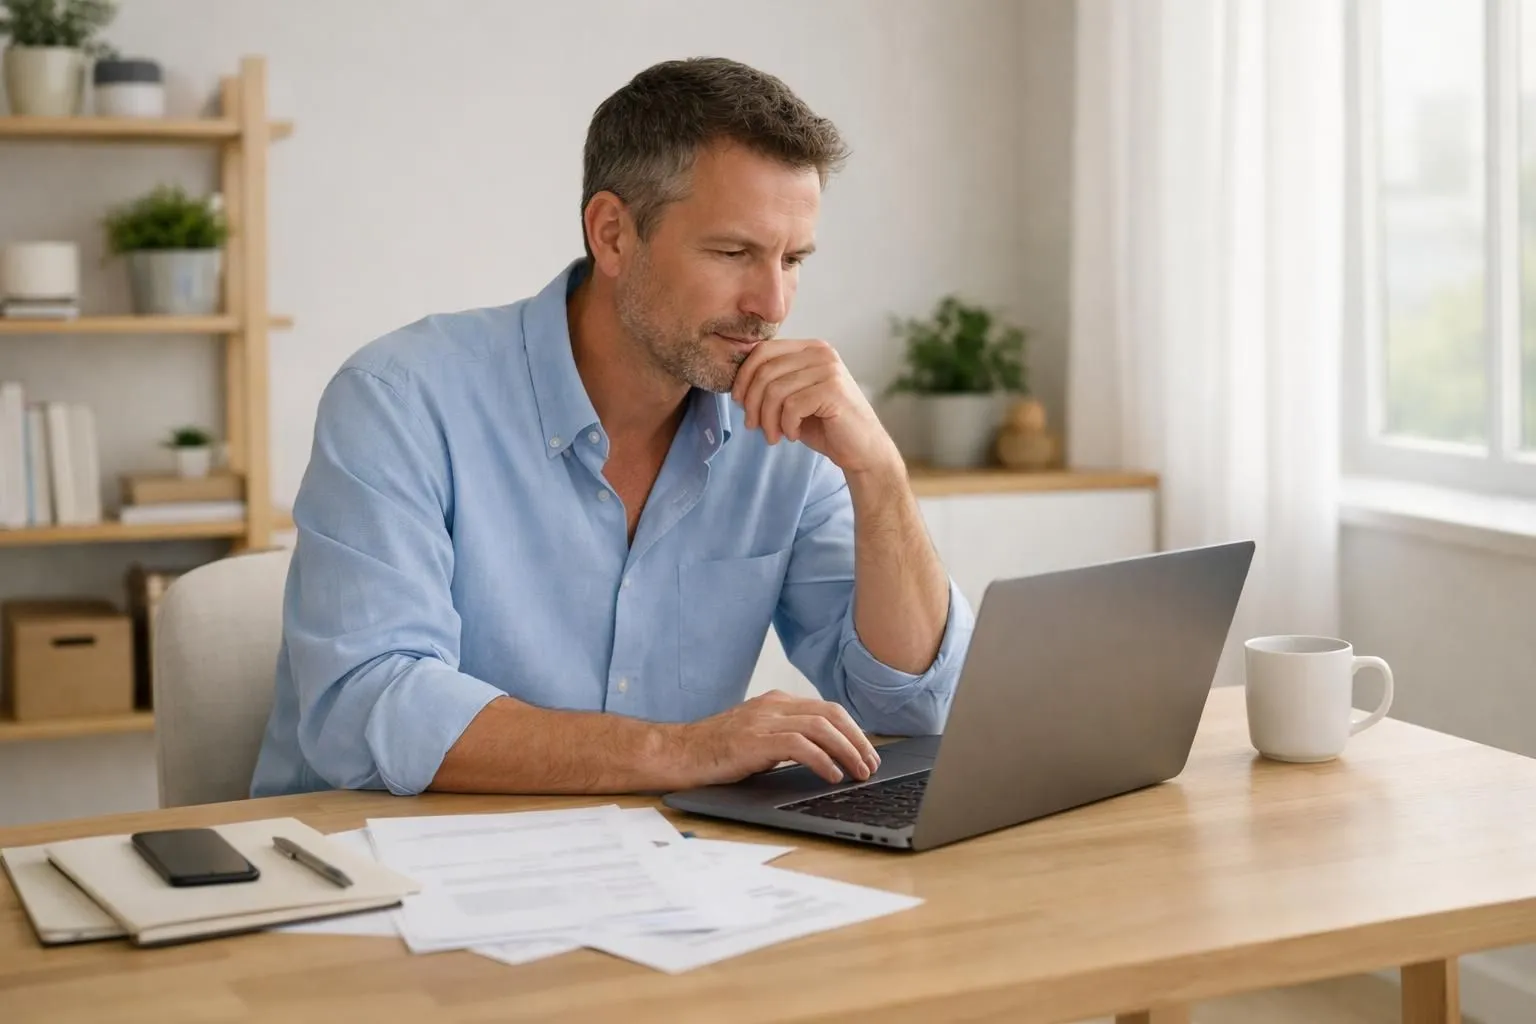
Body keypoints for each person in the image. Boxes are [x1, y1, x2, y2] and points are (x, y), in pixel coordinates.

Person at [250, 57, 975, 799]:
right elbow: (368, 706)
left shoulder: (785, 427)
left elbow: (916, 707)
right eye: (734, 253)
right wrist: (686, 750)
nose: (773, 302)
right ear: (613, 234)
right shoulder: (399, 399)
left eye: (793, 259)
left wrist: (880, 477)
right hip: (373, 875)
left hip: (652, 874)